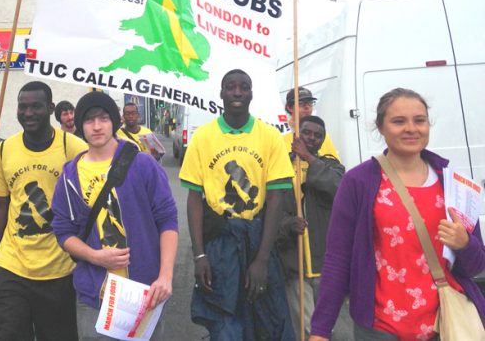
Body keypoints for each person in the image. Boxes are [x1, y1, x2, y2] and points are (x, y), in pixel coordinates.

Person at [309, 88, 485, 340]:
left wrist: (465, 244)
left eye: (419, 120)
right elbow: (338, 259)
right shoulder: (358, 182)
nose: (411, 128)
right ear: (380, 127)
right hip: (380, 329)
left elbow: (476, 266)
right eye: (398, 121)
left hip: (444, 325)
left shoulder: (452, 182)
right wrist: (320, 330)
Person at [179, 69, 295, 340]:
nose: (237, 92)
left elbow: (276, 197)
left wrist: (263, 259)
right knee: (226, 324)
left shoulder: (269, 137)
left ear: (251, 93)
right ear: (221, 93)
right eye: (230, 87)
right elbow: (194, 199)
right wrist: (199, 255)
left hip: (258, 239)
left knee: (267, 321)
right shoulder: (204, 137)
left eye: (244, 87)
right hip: (220, 243)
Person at [52, 91, 178, 340]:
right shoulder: (69, 175)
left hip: (145, 292)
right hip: (95, 296)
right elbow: (63, 231)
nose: (97, 126)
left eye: (103, 118)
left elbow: (167, 220)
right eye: (89, 120)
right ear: (80, 125)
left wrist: (165, 276)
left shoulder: (142, 164)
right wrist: (95, 256)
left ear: (114, 121)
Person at [0, 81, 87, 341]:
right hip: (11, 266)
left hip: (60, 269)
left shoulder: (73, 149)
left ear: (50, 108)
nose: (28, 113)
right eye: (22, 107)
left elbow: (89, 205)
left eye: (36, 107)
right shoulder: (3, 151)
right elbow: (0, 211)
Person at [276, 115, 352, 340]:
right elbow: (270, 209)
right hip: (294, 262)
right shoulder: (280, 166)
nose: (311, 138)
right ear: (296, 135)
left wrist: (308, 157)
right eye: (306, 133)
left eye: (317, 136)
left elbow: (338, 188)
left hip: (324, 264)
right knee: (307, 327)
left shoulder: (332, 166)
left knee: (328, 325)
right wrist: (288, 225)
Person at [283, 87, 340, 159]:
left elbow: (335, 165)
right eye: (301, 103)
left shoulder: (320, 136)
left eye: (310, 103)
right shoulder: (281, 134)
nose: (307, 107)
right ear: (289, 107)